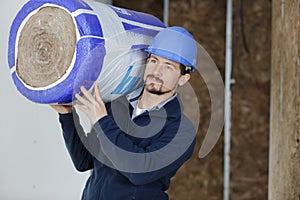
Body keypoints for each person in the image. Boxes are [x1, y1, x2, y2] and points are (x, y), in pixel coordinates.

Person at [51, 26, 198, 200]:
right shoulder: (117, 106)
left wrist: (102, 121)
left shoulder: (182, 131)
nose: (156, 72)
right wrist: (67, 116)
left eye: (168, 67)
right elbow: (83, 161)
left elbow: (140, 173)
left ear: (183, 78)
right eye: (154, 61)